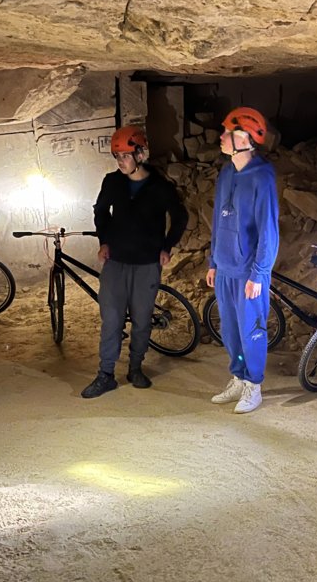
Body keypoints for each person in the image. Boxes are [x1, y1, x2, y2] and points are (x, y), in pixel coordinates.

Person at [81, 125, 188, 398]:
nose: (121, 161)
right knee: (111, 320)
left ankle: (135, 368)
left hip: (146, 264)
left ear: (140, 154)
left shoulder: (160, 187)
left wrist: (167, 247)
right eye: (117, 156)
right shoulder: (112, 182)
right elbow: (100, 211)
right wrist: (104, 241)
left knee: (141, 321)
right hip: (116, 262)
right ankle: (106, 374)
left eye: (126, 156)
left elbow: (180, 217)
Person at [206, 107, 280, 414]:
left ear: (245, 139)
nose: (222, 137)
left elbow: (268, 230)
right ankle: (238, 376)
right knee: (230, 331)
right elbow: (218, 220)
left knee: (252, 331)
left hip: (249, 272)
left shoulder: (262, 177)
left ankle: (254, 384)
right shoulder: (226, 173)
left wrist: (259, 273)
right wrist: (213, 261)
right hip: (225, 268)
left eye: (228, 133)